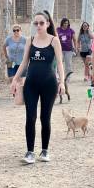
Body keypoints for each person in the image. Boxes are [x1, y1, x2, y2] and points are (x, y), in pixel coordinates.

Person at [10, 10, 65, 164]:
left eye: (42, 23)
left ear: (47, 24)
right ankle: (29, 152)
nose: (39, 25)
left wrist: (62, 82)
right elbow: (24, 63)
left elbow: (60, 63)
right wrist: (15, 79)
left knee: (45, 117)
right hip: (31, 85)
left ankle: (45, 150)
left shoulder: (54, 40)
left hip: (49, 84)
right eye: (36, 23)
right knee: (30, 117)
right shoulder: (30, 39)